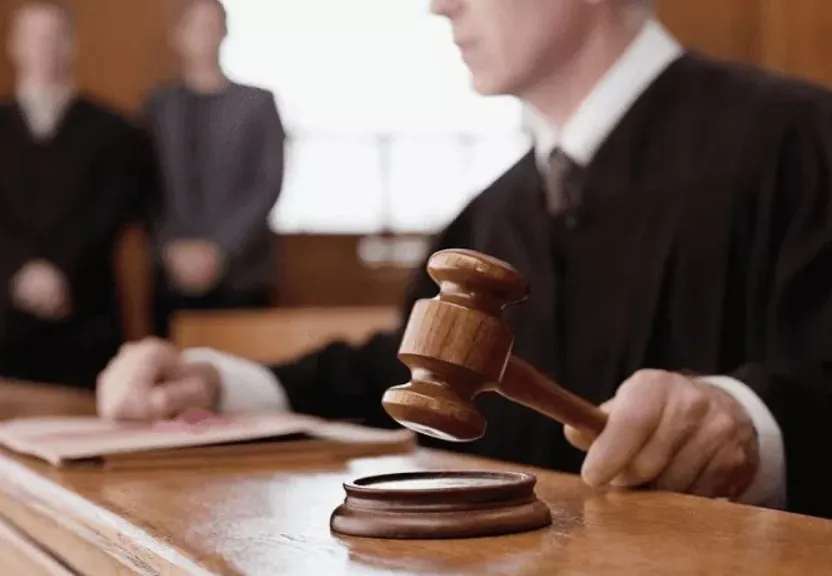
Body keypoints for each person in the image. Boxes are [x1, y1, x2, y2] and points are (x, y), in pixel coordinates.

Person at [98, 0, 832, 519]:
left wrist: (755, 426)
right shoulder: (487, 215)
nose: (440, 6)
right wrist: (217, 383)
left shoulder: (805, 143)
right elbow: (404, 378)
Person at [0, 1, 148, 388]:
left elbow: (115, 208)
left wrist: (60, 269)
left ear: (72, 45)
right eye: (34, 37)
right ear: (13, 45)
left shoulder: (114, 130)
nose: (44, 49)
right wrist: (20, 269)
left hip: (88, 316)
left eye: (54, 38)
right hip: (6, 318)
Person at [143, 0, 285, 337]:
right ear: (177, 35)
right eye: (195, 26)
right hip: (171, 274)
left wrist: (220, 248)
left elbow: (267, 184)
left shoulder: (258, 104)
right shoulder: (155, 107)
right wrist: (171, 248)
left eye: (212, 25)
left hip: (243, 273)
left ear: (225, 32)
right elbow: (143, 187)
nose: (204, 36)